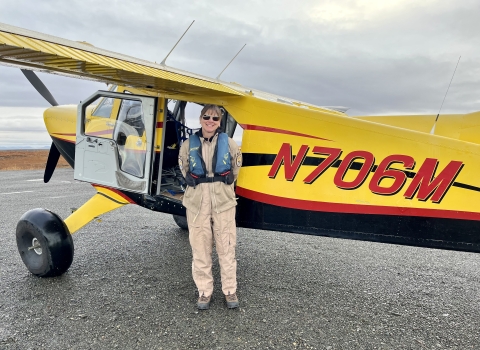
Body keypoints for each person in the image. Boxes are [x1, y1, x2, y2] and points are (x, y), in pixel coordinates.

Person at [178, 104, 242, 310]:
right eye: (207, 117)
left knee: (227, 247)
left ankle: (230, 290)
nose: (210, 121)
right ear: (200, 118)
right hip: (197, 203)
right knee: (200, 248)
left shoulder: (230, 144)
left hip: (223, 202)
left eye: (215, 118)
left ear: (220, 122)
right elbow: (184, 168)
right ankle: (204, 292)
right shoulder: (188, 145)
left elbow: (235, 169)